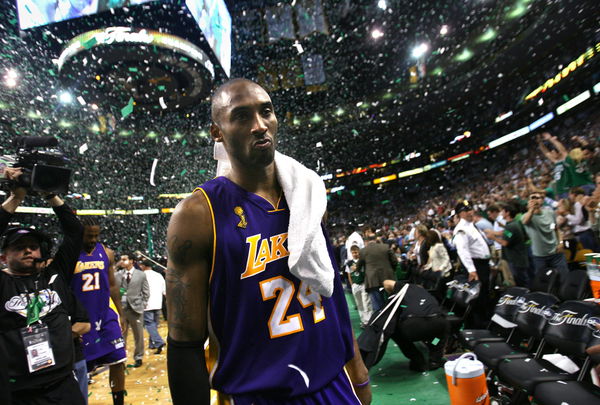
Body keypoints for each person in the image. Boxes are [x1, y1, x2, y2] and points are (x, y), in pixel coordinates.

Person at [166, 78, 370, 405]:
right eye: (242, 116)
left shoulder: (309, 194)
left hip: (333, 385)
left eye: (266, 112)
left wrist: (357, 370)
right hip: (257, 395)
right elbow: (185, 342)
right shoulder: (196, 215)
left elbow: (331, 295)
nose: (260, 126)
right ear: (217, 132)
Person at [0, 177, 85, 404]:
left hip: (64, 384)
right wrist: (15, 198)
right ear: (3, 257)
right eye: (19, 247)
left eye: (33, 247)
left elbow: (75, 231)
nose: (28, 251)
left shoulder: (53, 275)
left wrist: (51, 195)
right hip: (19, 392)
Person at [72, 217, 127, 405]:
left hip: (105, 315)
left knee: (118, 360)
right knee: (81, 368)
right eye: (89, 236)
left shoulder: (107, 253)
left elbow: (112, 286)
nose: (93, 239)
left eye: (96, 235)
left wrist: (121, 314)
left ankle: (118, 401)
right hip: (82, 318)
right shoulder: (69, 254)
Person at [382, 279, 449, 372]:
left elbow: (386, 282)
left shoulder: (408, 288)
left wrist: (395, 294)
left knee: (394, 330)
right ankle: (434, 360)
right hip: (437, 323)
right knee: (438, 336)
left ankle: (417, 360)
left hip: (412, 328)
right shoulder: (428, 295)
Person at [452, 200, 492, 328]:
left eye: (471, 209)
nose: (471, 212)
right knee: (477, 296)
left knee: (484, 294)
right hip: (475, 266)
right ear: (461, 213)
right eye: (467, 210)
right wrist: (471, 270)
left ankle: (484, 321)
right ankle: (477, 325)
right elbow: (463, 251)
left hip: (482, 264)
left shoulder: (471, 225)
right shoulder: (461, 229)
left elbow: (480, 246)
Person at [521, 191, 569, 282]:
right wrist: (531, 209)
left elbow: (556, 229)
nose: (535, 200)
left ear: (542, 201)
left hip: (556, 253)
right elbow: (525, 221)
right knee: (544, 282)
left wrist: (561, 242)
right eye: (532, 198)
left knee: (564, 279)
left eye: (538, 198)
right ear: (528, 202)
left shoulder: (550, 212)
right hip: (539, 256)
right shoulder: (525, 216)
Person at [485, 201, 533, 288]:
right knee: (521, 279)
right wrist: (494, 233)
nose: (501, 213)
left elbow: (505, 243)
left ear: (507, 213)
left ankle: (526, 296)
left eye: (502, 211)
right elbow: (508, 235)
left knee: (522, 281)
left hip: (517, 259)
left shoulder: (511, 226)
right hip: (517, 258)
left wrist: (493, 237)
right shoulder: (512, 224)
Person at [115, 252, 149, 367]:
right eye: (121, 259)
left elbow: (146, 291)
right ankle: (122, 358)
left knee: (138, 335)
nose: (122, 261)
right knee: (122, 335)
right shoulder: (118, 274)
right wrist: (116, 266)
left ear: (132, 261)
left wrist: (143, 304)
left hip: (136, 309)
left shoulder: (141, 274)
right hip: (122, 310)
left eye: (124, 259)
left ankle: (138, 357)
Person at [357, 234, 397, 313]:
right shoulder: (385, 247)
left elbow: (359, 266)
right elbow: (394, 261)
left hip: (372, 280)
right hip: (388, 278)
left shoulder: (363, 250)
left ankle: (381, 322)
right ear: (376, 239)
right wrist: (391, 270)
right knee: (393, 302)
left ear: (367, 241)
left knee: (378, 307)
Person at [139, 258, 166, 354]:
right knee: (154, 324)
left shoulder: (141, 276)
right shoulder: (158, 275)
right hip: (158, 303)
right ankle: (152, 344)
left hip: (147, 304)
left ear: (144, 266)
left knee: (149, 324)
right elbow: (165, 291)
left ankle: (159, 342)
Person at [346, 245, 372, 328]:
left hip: (363, 283)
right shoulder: (349, 263)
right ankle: (363, 321)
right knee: (359, 304)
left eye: (356, 252)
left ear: (359, 252)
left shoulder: (363, 261)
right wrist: (352, 284)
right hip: (355, 285)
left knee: (366, 303)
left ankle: (369, 321)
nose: (354, 254)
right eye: (353, 252)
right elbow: (349, 274)